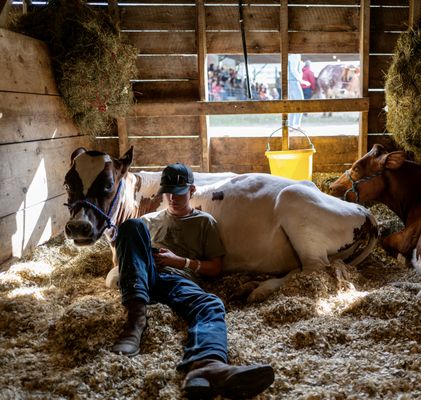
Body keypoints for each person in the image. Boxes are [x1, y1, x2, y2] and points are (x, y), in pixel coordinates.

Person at [111, 163, 275, 399]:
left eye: (178, 192)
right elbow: (128, 255)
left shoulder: (204, 222)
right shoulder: (150, 220)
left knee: (211, 304)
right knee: (131, 225)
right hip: (143, 279)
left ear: (191, 190)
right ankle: (135, 324)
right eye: (168, 192)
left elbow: (216, 269)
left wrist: (180, 261)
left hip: (180, 281)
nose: (172, 198)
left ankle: (206, 366)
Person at [288, 54, 306, 129]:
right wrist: (301, 81)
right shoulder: (295, 55)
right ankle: (296, 125)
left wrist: (301, 66)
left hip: (290, 81)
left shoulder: (292, 55)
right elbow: (293, 70)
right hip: (294, 81)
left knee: (292, 103)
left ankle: (291, 125)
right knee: (300, 103)